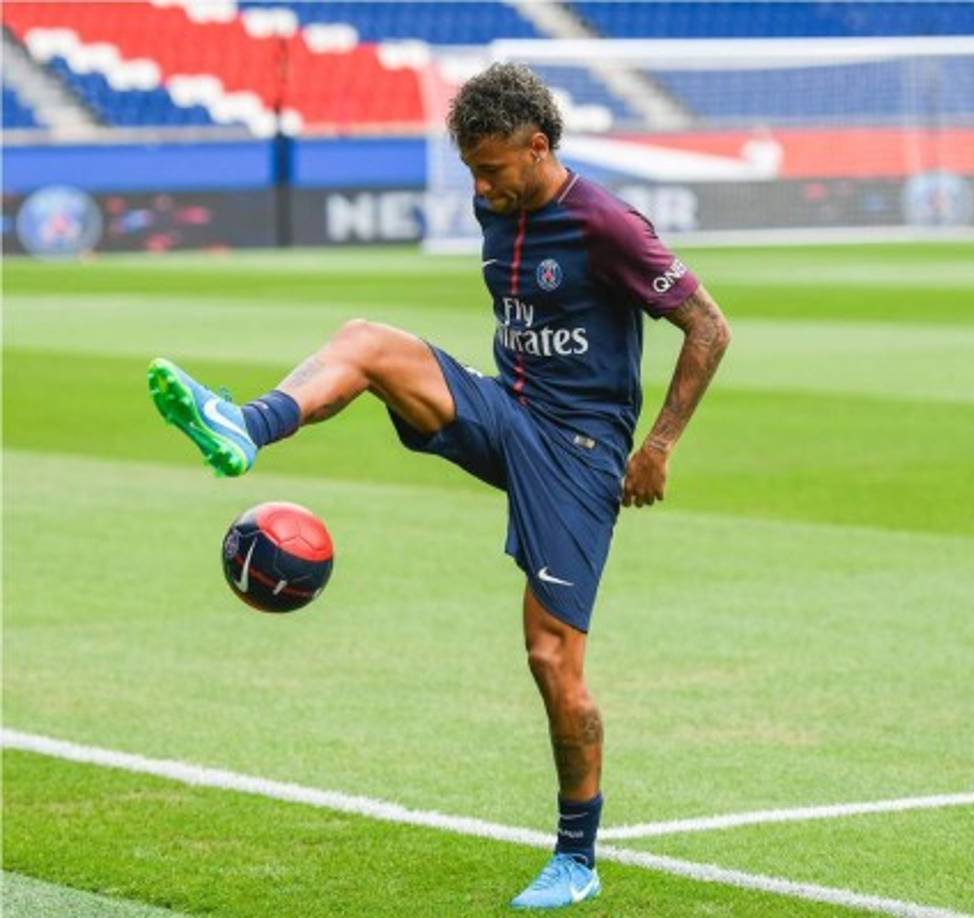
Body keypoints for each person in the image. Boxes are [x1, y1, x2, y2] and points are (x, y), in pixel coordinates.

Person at [147, 62, 730, 909]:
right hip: (507, 413)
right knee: (367, 339)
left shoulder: (607, 224)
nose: (479, 185)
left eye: (491, 167)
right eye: (470, 169)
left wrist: (660, 445)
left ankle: (577, 859)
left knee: (550, 658)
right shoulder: (496, 202)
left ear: (539, 147)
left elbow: (709, 327)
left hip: (579, 454)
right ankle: (246, 423)